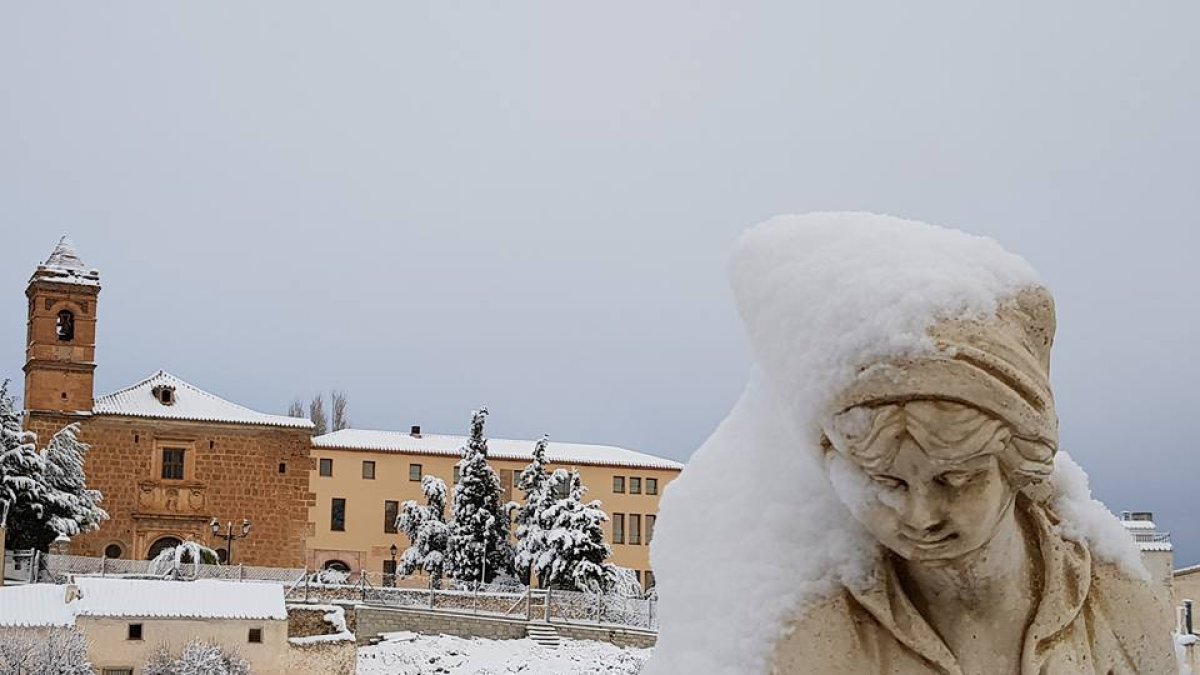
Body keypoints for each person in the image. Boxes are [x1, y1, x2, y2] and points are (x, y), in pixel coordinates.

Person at [771, 288, 1175, 674]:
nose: (920, 517)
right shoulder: (815, 636)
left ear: (1018, 463)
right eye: (887, 483)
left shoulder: (1118, 612)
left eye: (954, 479)